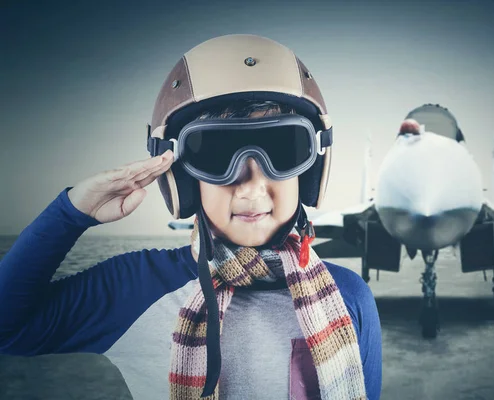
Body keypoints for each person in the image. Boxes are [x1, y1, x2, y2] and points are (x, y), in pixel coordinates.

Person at [0, 34, 382, 400]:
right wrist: (70, 213)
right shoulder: (138, 289)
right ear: (182, 178)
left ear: (311, 171)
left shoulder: (348, 297)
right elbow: (8, 329)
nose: (251, 188)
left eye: (282, 151)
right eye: (216, 157)